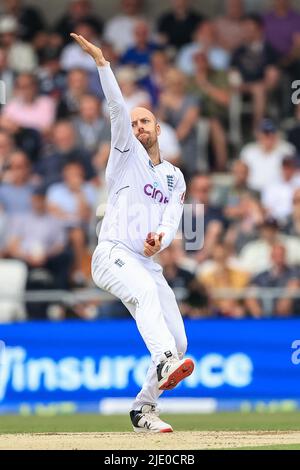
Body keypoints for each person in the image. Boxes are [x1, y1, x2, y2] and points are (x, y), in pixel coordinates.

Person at [70, 33, 194, 433]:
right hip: (111, 254)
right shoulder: (125, 153)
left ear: (158, 128)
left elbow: (172, 219)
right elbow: (115, 107)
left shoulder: (175, 177)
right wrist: (103, 64)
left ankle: (143, 409)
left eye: (145, 121)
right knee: (148, 308)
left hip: (143, 260)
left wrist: (160, 239)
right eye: (134, 121)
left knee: (179, 341)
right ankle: (162, 361)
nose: (137, 125)